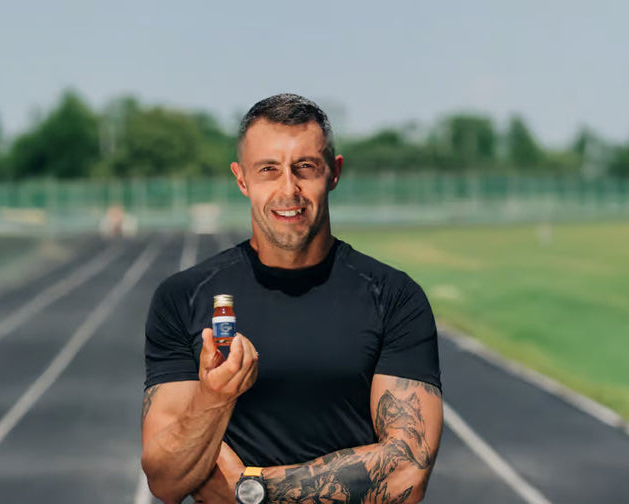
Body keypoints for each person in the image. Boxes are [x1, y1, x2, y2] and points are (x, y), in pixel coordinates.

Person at [141, 93, 442, 504]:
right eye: (268, 170)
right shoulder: (183, 297)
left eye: (305, 167)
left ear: (333, 173)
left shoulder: (394, 297)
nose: (289, 189)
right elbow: (164, 479)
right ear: (241, 178)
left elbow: (407, 474)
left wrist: (254, 491)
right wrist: (213, 400)